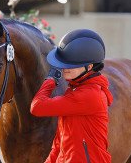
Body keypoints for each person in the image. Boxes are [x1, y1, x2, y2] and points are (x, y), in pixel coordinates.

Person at [30, 29, 113, 163]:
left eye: (71, 65)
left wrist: (50, 81)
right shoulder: (75, 89)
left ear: (89, 67)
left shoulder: (89, 95)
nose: (64, 68)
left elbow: (37, 107)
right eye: (64, 63)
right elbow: (60, 142)